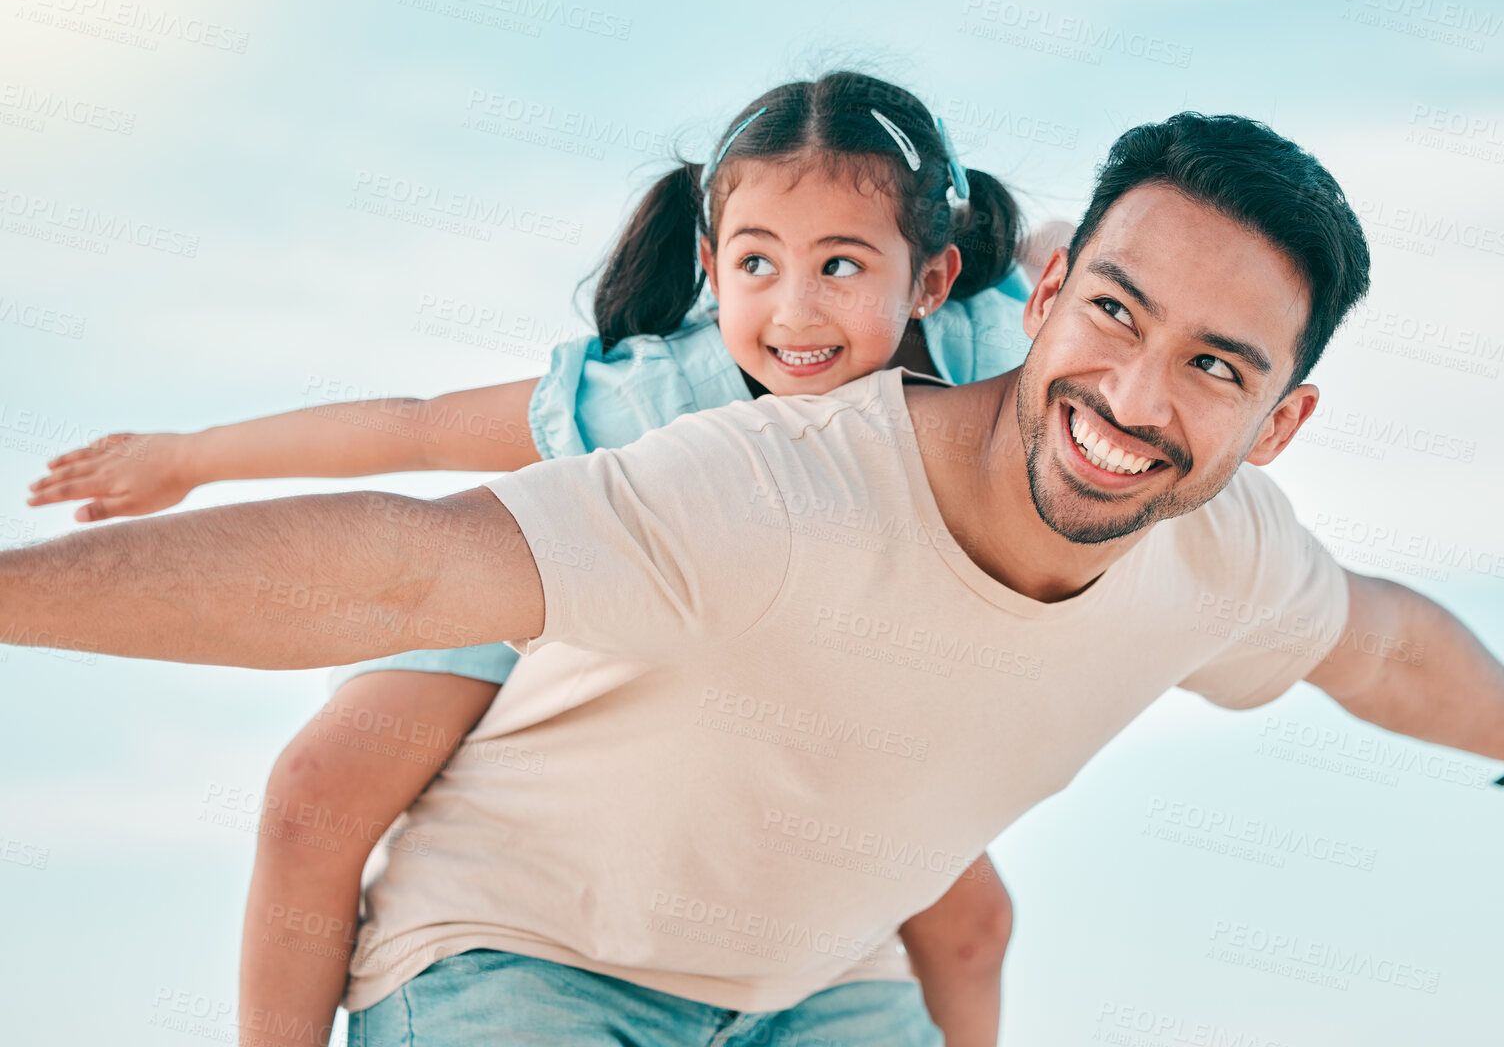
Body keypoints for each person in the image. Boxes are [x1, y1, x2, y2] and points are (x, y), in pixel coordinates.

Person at [0, 111, 1504, 1046]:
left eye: (1213, 369)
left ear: (1279, 422)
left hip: (817, 986)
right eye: (1118, 313)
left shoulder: (1224, 554)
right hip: (515, 960)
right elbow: (403, 556)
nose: (1134, 400)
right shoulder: (771, 474)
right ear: (1051, 282)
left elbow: (1377, 650)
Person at [23, 71, 1048, 1047]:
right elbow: (419, 430)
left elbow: (1104, 259)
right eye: (755, 263)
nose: (792, 312)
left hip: (769, 675)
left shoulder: (993, 357)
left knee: (973, 911)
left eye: (839, 265)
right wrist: (190, 457)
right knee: (317, 785)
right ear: (709, 259)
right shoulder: (663, 393)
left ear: (931, 278)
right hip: (541, 561)